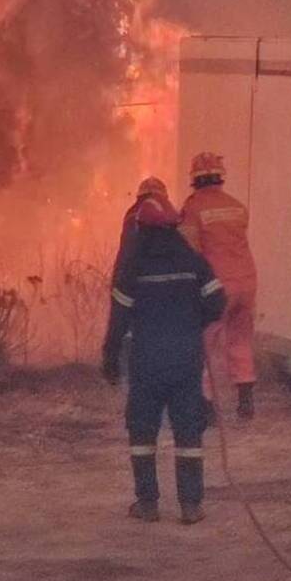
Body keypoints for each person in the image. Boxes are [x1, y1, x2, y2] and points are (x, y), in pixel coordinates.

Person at [102, 191, 226, 525]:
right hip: (186, 360)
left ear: (141, 229)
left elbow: (118, 318)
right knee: (188, 432)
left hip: (147, 363)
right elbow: (217, 302)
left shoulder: (133, 267)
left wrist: (110, 357)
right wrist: (194, 322)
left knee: (142, 432)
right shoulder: (191, 260)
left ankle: (148, 504)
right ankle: (190, 506)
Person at [179, 152, 259, 420]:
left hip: (216, 287)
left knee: (207, 345)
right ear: (220, 177)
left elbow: (189, 251)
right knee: (240, 339)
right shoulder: (237, 206)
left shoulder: (193, 208)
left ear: (195, 179)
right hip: (247, 282)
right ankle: (245, 401)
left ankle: (208, 408)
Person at [111, 176, 170, 282]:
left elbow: (125, 250)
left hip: (136, 276)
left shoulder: (131, 214)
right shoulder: (169, 213)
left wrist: (117, 280)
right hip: (166, 275)